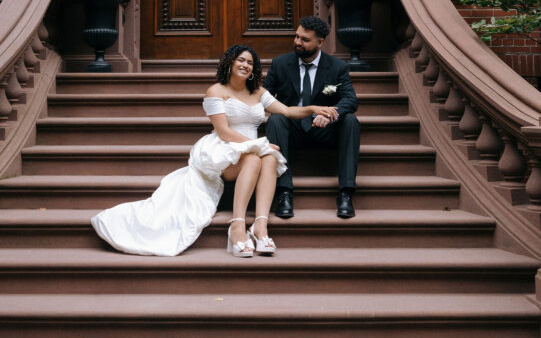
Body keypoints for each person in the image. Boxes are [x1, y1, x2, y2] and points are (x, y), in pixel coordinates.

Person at [91, 44, 337, 257]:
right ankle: (237, 225)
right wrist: (258, 144)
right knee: (255, 158)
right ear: (229, 62)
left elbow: (287, 111)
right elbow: (224, 131)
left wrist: (314, 107)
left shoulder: (259, 92)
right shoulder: (215, 91)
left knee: (270, 161)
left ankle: (260, 226)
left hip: (251, 147)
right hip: (225, 148)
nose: (246, 65)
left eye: (250, 62)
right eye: (241, 59)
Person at [264, 15, 360, 220]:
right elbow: (263, 97)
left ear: (320, 42)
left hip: (323, 129)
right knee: (275, 119)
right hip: (292, 129)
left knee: (350, 120)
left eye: (305, 39)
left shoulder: (337, 68)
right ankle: (284, 193)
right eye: (297, 36)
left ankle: (345, 194)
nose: (298, 42)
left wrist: (331, 114)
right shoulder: (280, 64)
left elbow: (350, 99)